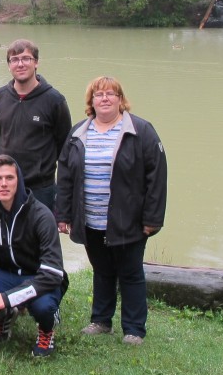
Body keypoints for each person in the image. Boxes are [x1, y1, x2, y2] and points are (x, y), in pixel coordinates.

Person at [55, 76, 167, 345]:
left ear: (120, 99)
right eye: (98, 94)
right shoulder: (79, 133)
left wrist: (152, 218)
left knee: (130, 272)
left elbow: (157, 176)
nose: (104, 98)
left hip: (128, 219)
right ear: (91, 101)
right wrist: (64, 214)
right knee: (102, 270)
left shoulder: (141, 131)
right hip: (91, 218)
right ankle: (101, 321)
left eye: (110, 94)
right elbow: (65, 174)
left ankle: (134, 328)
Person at [0, 155, 67, 357]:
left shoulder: (42, 215)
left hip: (40, 279)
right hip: (6, 276)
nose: (3, 184)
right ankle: (5, 314)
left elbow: (53, 274)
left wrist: (7, 298)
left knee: (44, 307)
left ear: (19, 181)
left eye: (9, 178)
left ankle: (46, 329)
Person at [0, 39, 72, 209]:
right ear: (9, 65)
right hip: (5, 184)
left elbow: (65, 149)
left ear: (36, 62)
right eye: (14, 59)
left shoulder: (54, 100)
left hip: (41, 189)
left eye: (26, 58)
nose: (20, 64)